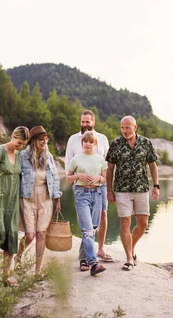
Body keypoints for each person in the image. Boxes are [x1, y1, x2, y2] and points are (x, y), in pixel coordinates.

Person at [106, 116, 159, 272]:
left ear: (135, 127)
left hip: (142, 188)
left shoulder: (145, 143)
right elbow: (110, 169)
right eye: (122, 128)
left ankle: (132, 247)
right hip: (121, 189)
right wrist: (109, 190)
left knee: (143, 224)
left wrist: (156, 185)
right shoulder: (115, 144)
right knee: (125, 223)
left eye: (127, 127)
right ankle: (129, 258)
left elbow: (152, 165)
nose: (124, 131)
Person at [65, 110, 113, 264]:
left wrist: (103, 181)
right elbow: (68, 164)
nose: (85, 125)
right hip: (81, 187)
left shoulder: (103, 139)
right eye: (82, 122)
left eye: (88, 122)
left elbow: (106, 164)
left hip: (100, 187)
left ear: (93, 122)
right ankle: (86, 258)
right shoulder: (73, 139)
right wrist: (76, 180)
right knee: (85, 222)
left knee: (102, 216)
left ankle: (100, 249)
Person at [0, 126, 30, 287]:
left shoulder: (18, 155)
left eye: (24, 144)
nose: (20, 146)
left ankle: (5, 277)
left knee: (11, 240)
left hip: (12, 203)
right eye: (19, 143)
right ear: (12, 136)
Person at [16, 126, 62, 277]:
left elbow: (55, 179)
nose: (44, 142)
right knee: (30, 235)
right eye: (41, 140)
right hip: (27, 198)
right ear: (33, 141)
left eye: (45, 140)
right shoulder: (22, 156)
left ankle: (37, 270)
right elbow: (16, 178)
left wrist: (58, 199)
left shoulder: (48, 158)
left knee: (41, 234)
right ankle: (18, 257)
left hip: (45, 198)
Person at [66, 131, 107, 276]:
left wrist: (98, 178)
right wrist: (78, 175)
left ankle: (83, 260)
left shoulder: (100, 159)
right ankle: (93, 263)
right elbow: (68, 178)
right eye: (85, 141)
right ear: (82, 143)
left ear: (95, 144)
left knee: (92, 229)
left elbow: (105, 179)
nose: (88, 144)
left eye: (91, 142)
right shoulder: (76, 159)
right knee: (88, 230)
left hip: (97, 194)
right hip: (81, 194)